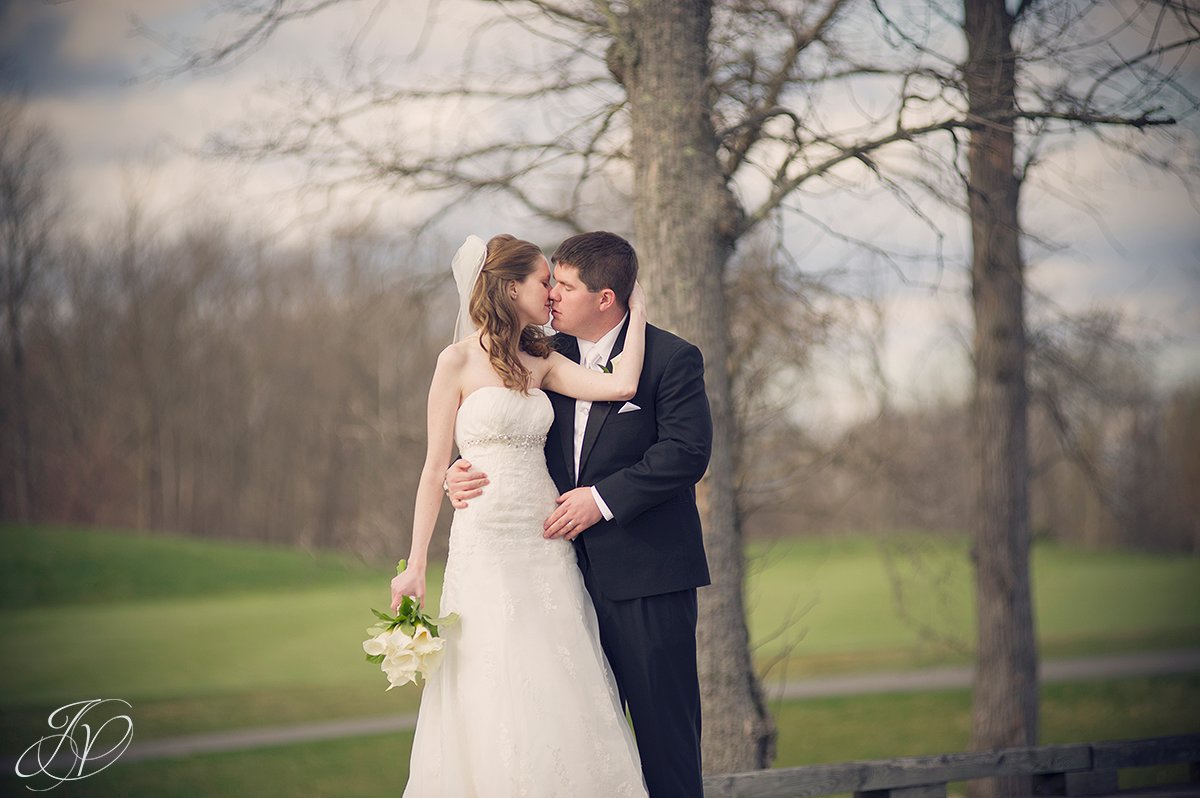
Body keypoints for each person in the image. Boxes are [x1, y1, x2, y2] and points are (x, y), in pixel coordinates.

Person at [447, 231, 713, 798]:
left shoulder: (671, 358)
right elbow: (506, 436)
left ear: (606, 299)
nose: (552, 298)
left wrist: (602, 499)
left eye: (563, 287)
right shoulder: (542, 355)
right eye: (550, 284)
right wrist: (458, 471)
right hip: (556, 575)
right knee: (577, 750)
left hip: (646, 580)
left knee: (665, 743)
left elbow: (687, 452)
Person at [390, 233, 650, 797]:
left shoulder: (542, 358)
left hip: (543, 541)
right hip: (482, 543)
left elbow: (622, 384)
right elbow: (435, 469)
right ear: (511, 288)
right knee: (486, 680)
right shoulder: (455, 361)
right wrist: (414, 568)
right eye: (543, 281)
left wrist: (638, 305)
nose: (553, 291)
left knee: (558, 674)